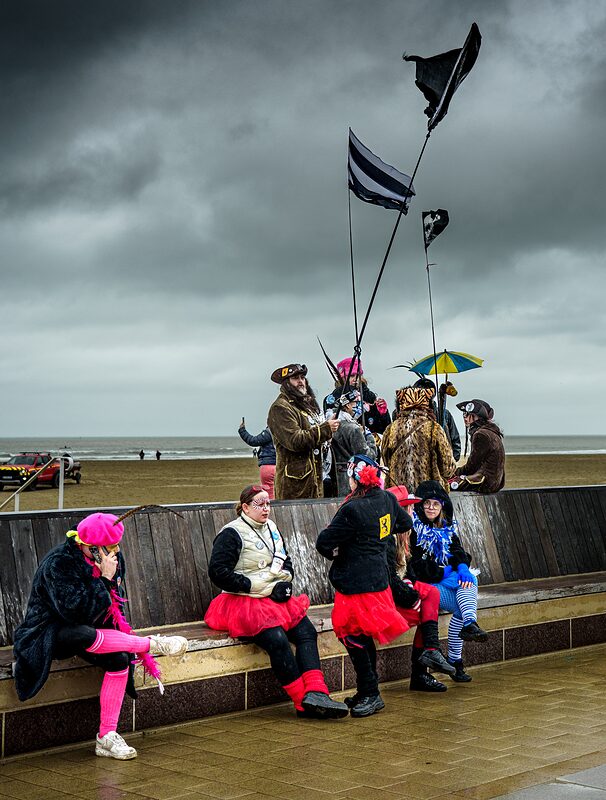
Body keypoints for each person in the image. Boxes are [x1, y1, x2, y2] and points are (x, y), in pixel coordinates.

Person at [13, 512, 189, 760]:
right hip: (49, 632)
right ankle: (150, 644)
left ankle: (106, 737)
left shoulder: (112, 557)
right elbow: (74, 613)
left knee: (118, 660)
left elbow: (113, 607)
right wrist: (104, 579)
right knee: (82, 632)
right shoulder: (59, 563)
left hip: (94, 632)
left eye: (117, 546)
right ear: (91, 547)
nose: (115, 552)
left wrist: (118, 627)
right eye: (109, 547)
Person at [205, 485, 348, 719]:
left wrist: (285, 584)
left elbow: (286, 560)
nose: (266, 509)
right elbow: (218, 572)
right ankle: (303, 703)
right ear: (245, 507)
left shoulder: (271, 527)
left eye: (268, 503)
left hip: (272, 597)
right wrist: (251, 586)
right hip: (242, 601)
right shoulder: (231, 533)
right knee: (277, 640)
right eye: (259, 504)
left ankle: (317, 692)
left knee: (306, 632)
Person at [316, 455, 412, 718]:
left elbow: (323, 542)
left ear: (355, 478)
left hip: (355, 586)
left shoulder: (351, 509)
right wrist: (378, 538)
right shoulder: (387, 499)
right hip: (379, 581)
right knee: (362, 636)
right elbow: (405, 523)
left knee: (351, 635)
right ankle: (366, 690)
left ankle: (371, 693)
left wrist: (342, 554)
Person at [407, 481, 488, 682]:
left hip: (442, 583)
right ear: (420, 504)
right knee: (465, 598)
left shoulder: (445, 526)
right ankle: (457, 656)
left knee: (468, 580)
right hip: (426, 586)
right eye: (427, 503)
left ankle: (467, 628)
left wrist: (461, 567)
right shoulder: (413, 529)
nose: (431, 508)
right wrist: (445, 571)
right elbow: (416, 567)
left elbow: (458, 551)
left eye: (436, 504)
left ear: (442, 506)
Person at [386, 485, 456, 692]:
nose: (411, 512)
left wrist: (410, 584)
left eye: (410, 508)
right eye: (406, 508)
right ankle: (420, 672)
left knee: (432, 594)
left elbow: (408, 570)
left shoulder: (404, 533)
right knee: (426, 611)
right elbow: (389, 578)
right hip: (384, 597)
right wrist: (411, 593)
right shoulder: (387, 537)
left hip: (400, 589)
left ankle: (431, 651)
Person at [267, 363, 338, 500]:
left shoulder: (307, 404)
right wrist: (325, 429)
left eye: (302, 377)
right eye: (295, 378)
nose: (300, 381)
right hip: (296, 484)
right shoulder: (280, 407)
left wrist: (328, 428)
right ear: (286, 383)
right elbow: (295, 440)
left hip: (317, 478)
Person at [382, 387, 456, 492]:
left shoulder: (391, 430)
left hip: (398, 495)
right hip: (429, 496)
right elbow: (448, 467)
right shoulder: (434, 428)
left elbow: (386, 460)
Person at [323, 357, 391, 435]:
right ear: (342, 377)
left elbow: (385, 431)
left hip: (372, 444)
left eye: (358, 375)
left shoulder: (370, 398)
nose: (355, 379)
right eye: (351, 376)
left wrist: (383, 414)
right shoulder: (332, 399)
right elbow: (332, 428)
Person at [330, 389, 377, 496]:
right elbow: (368, 458)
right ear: (347, 405)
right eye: (357, 402)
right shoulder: (353, 429)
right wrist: (369, 437)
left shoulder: (331, 425)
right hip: (351, 482)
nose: (360, 405)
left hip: (335, 481)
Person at [453, 399, 505, 493]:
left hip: (483, 483)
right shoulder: (491, 432)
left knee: (444, 486)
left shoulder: (481, 435)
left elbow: (472, 466)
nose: (465, 417)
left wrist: (453, 473)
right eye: (464, 414)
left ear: (478, 417)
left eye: (469, 414)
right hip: (494, 483)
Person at [413, 378, 461, 461]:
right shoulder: (409, 416)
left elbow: (455, 439)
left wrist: (452, 460)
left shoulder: (445, 414)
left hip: (444, 465)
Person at [238, 418, 276, 499]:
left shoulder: (270, 432)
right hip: (280, 465)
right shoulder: (284, 432)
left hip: (268, 465)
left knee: (269, 491)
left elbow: (253, 441)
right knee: (278, 490)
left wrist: (242, 430)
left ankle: (270, 509)